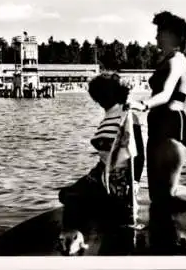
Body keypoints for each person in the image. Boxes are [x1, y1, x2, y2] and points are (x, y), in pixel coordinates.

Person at [126, 11, 186, 209]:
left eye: (160, 32)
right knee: (157, 196)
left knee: (169, 193)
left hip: (172, 128)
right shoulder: (167, 59)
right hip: (157, 130)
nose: (156, 37)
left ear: (173, 35)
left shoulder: (177, 60)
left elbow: (165, 93)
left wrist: (142, 104)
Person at [57, 72, 145, 255]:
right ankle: (77, 234)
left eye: (97, 96)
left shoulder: (126, 115)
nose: (96, 101)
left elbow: (139, 155)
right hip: (102, 174)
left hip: (118, 180)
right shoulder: (110, 115)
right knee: (66, 194)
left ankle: (75, 236)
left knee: (74, 198)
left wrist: (134, 183)